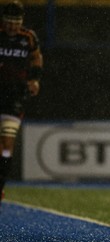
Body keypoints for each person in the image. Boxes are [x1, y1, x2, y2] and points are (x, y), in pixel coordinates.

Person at [0, 1, 43, 206]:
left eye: (16, 22)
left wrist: (34, 79)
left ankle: (1, 186)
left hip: (14, 97)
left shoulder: (28, 37)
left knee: (7, 145)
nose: (13, 26)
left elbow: (36, 58)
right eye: (9, 22)